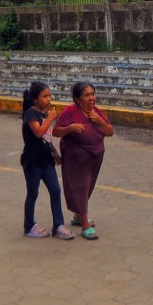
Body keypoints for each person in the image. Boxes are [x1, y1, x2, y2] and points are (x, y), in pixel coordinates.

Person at [54, 81, 114, 240]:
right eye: (86, 95)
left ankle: (78, 216)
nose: (91, 98)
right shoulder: (70, 111)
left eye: (93, 94)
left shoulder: (97, 112)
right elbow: (56, 131)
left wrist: (99, 121)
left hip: (94, 157)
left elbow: (110, 132)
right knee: (81, 187)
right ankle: (85, 225)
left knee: (87, 187)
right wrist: (71, 128)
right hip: (76, 158)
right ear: (77, 99)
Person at [20, 81, 75, 240]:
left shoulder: (43, 113)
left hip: (46, 159)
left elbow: (46, 137)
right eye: (45, 96)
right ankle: (29, 225)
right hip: (33, 160)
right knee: (33, 193)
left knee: (56, 190)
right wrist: (51, 118)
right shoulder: (31, 114)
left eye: (50, 96)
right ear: (35, 99)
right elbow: (38, 132)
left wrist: (54, 152)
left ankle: (58, 225)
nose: (49, 99)